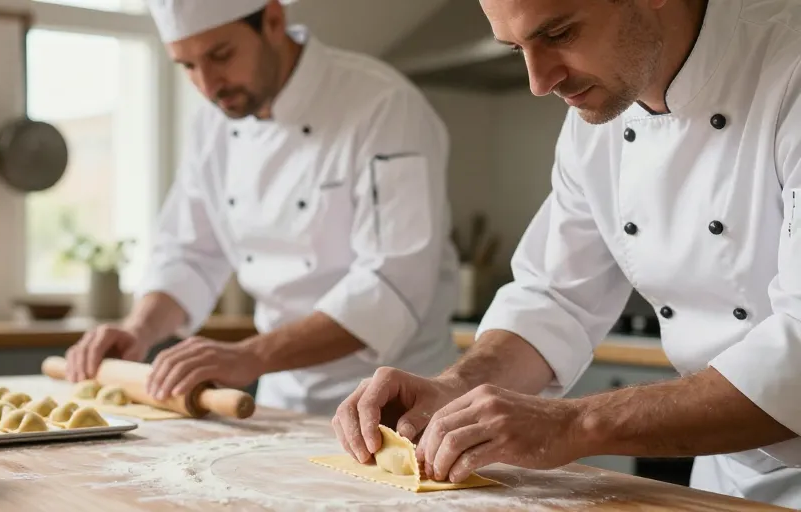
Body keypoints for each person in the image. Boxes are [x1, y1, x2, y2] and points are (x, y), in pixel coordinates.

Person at [332, 0, 801, 507]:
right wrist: (456, 387)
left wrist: (575, 424)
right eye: (517, 50)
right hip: (727, 476)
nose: (538, 82)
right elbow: (554, 297)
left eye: (558, 34)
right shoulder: (599, 111)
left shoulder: (789, 69)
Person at [64, 0, 461, 417]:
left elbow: (389, 286)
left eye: (221, 55)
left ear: (273, 20)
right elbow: (189, 255)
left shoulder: (384, 106)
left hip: (399, 405)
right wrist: (137, 330)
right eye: (187, 66)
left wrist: (248, 356)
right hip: (280, 401)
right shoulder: (211, 125)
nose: (208, 84)